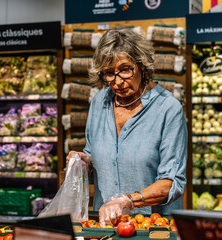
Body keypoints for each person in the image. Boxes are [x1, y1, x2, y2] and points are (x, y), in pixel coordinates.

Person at [66, 26, 187, 227]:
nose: (118, 81)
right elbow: (94, 155)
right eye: (109, 73)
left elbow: (171, 183)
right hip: (107, 225)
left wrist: (127, 200)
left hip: (152, 228)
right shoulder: (99, 102)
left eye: (125, 69)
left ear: (142, 66)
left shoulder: (168, 109)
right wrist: (83, 161)